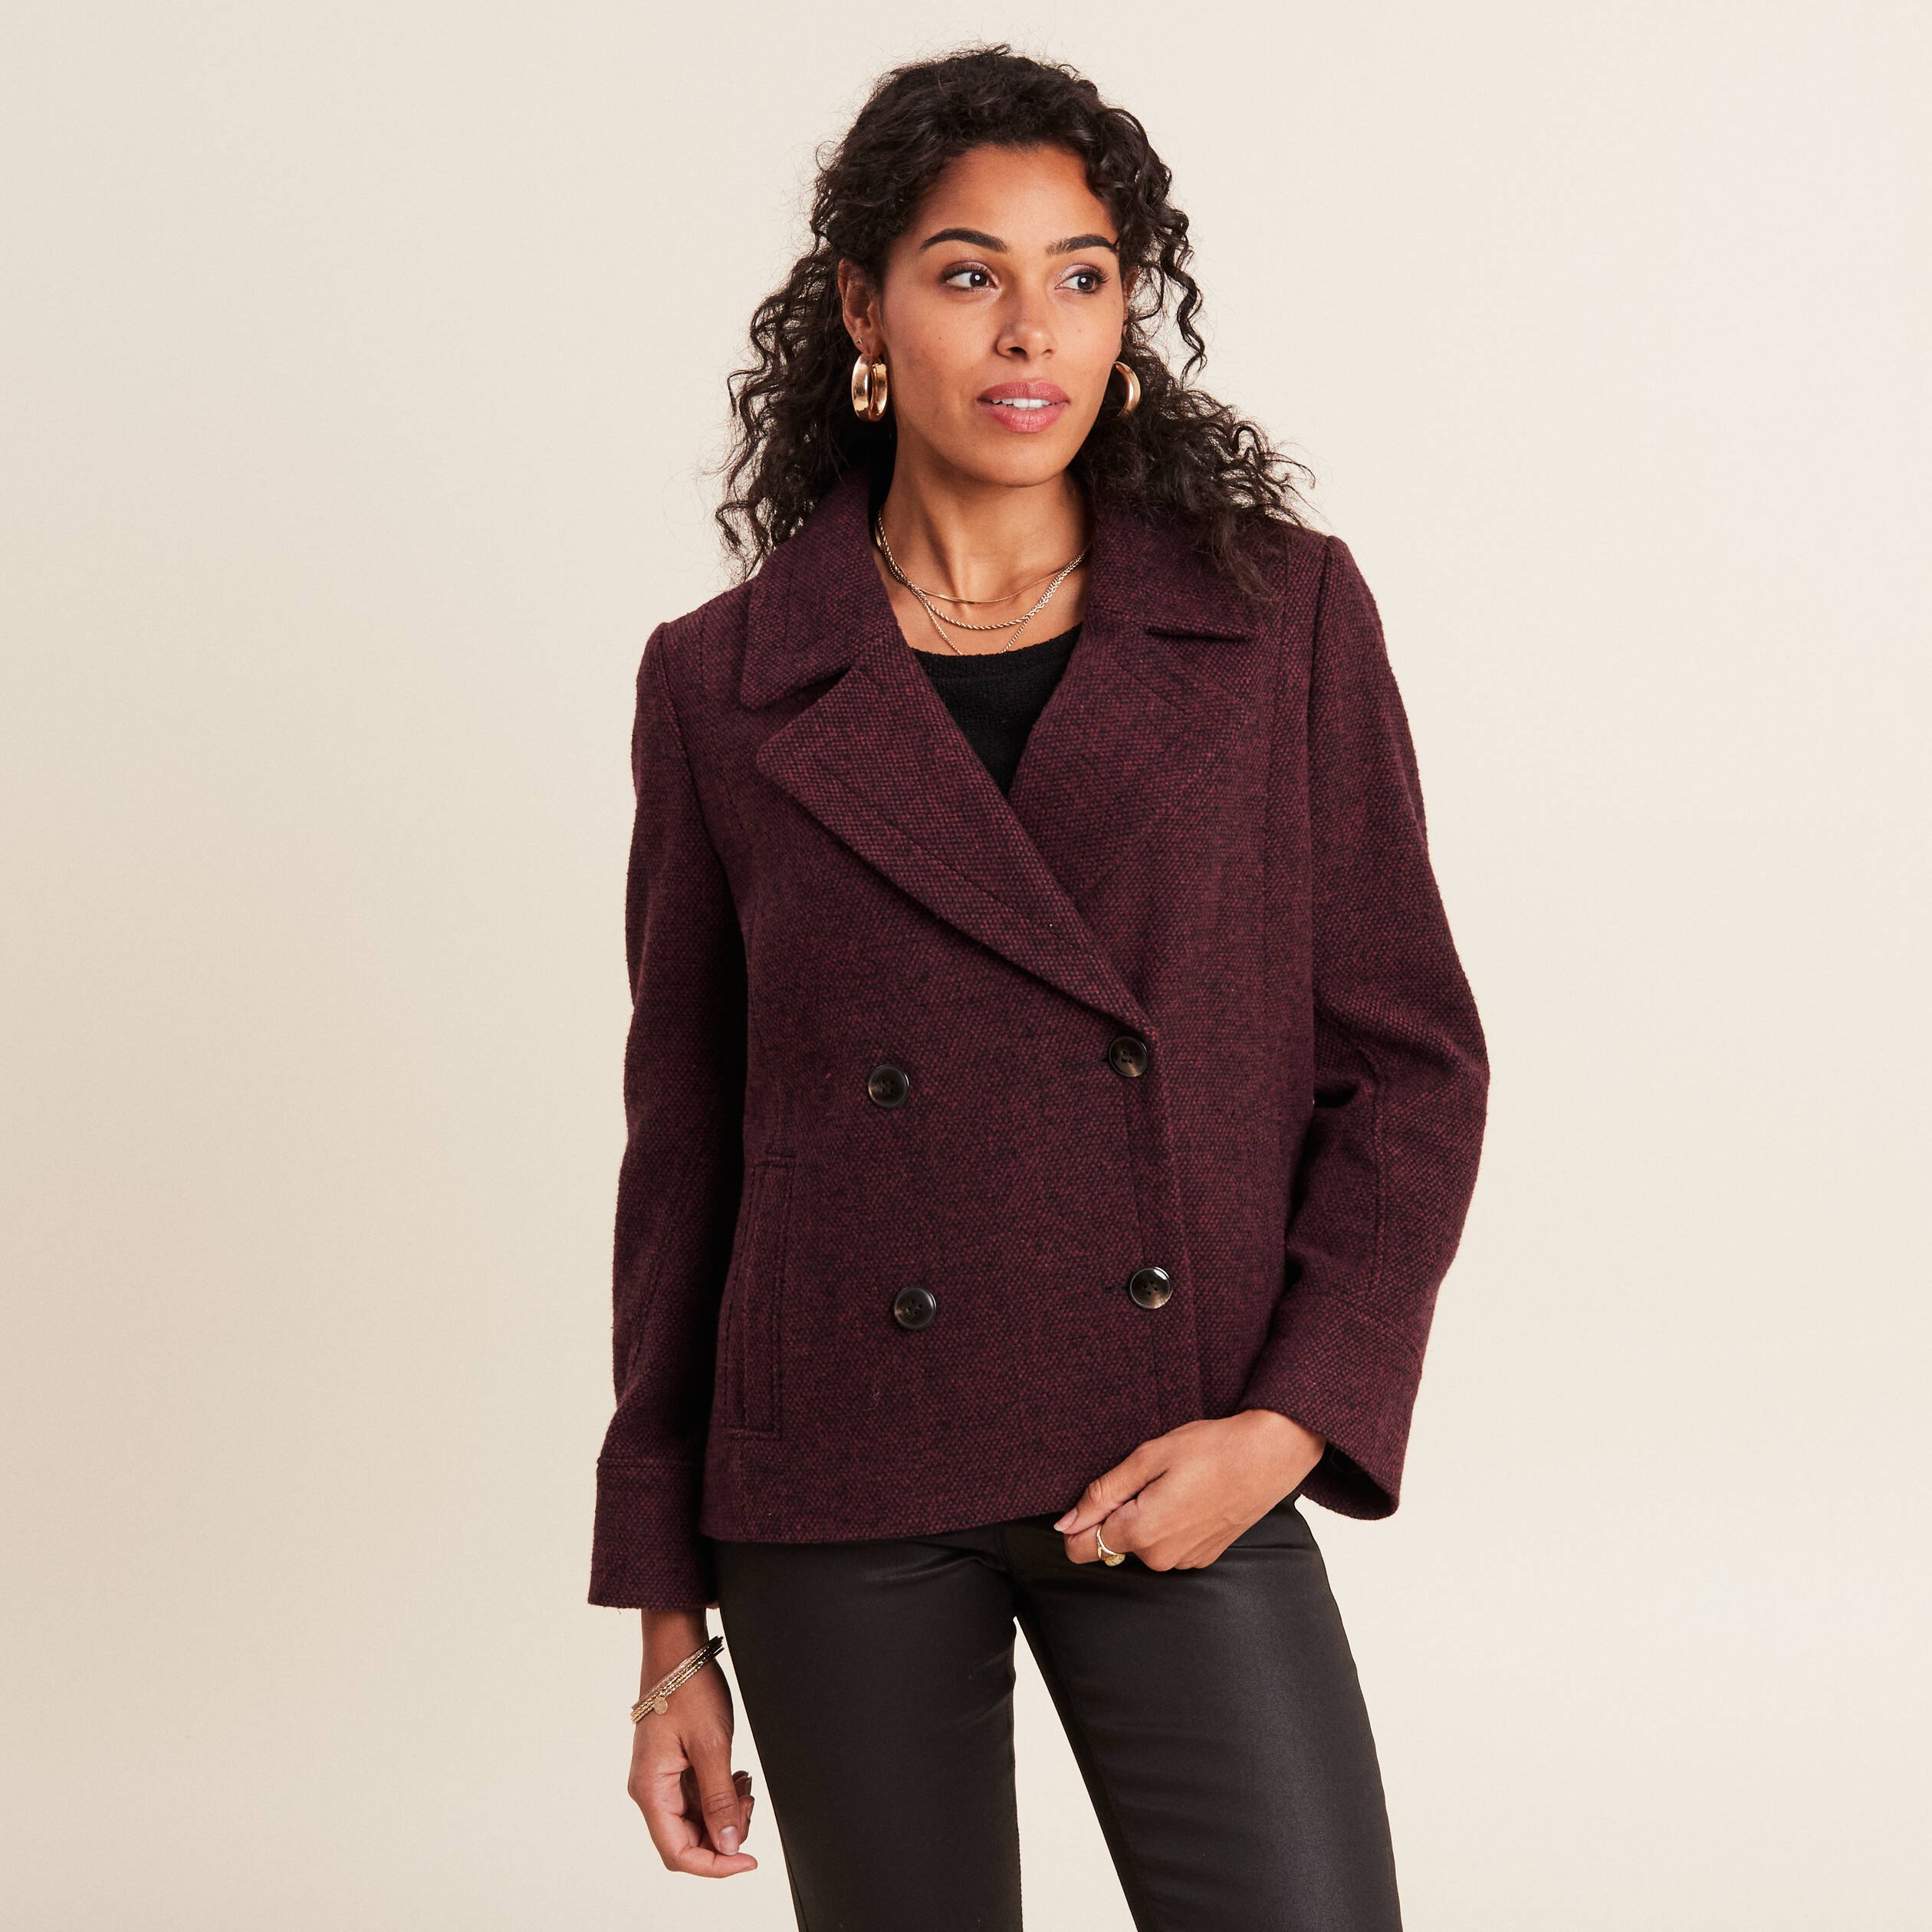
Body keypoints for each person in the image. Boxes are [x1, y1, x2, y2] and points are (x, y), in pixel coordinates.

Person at [592, 43, 1489, 1932]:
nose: (1033, 330)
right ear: (864, 310)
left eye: (1083, 274)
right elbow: (687, 1155)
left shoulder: (1277, 616)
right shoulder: (723, 682)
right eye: (968, 271)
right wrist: (669, 1622)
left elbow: (1409, 1066)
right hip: (839, 1476)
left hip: (1177, 1453)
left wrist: (1290, 1424)